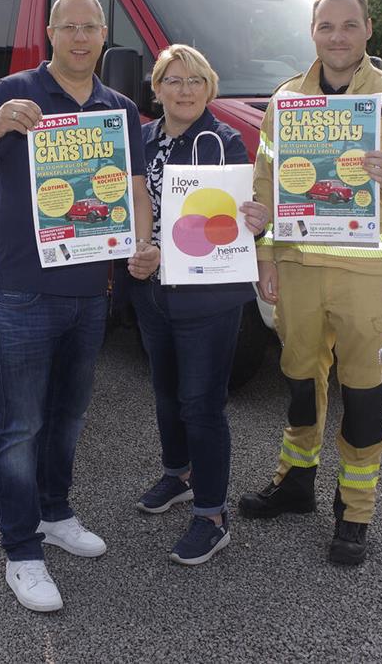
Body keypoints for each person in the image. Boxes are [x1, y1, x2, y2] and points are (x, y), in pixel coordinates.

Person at [0, 0, 160, 612]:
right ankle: (20, 550)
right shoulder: (12, 93)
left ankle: (54, 513)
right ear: (50, 32)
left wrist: (145, 243)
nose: (79, 38)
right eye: (68, 27)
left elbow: (131, 187)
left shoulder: (119, 108)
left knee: (69, 417)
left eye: (89, 28)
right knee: (20, 426)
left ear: (104, 37)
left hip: (90, 293)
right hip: (23, 290)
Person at [237, 0, 382, 565]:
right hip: (300, 268)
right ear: (312, 32)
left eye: (348, 25)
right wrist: (265, 252)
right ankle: (296, 480)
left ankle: (355, 510)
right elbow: (266, 187)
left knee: (362, 396)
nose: (337, 36)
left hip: (365, 274)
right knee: (300, 381)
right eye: (326, 26)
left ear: (367, 30)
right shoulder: (286, 101)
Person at [129, 44, 269, 565]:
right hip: (152, 289)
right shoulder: (141, 139)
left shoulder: (225, 142)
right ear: (157, 87)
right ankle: (180, 474)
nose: (184, 89)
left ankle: (212, 515)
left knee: (201, 405)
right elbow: (128, 207)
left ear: (209, 89)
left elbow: (238, 220)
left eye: (195, 81)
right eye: (173, 79)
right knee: (166, 392)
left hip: (207, 296)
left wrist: (255, 220)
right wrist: (136, 252)